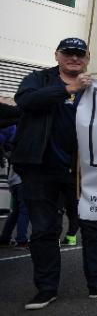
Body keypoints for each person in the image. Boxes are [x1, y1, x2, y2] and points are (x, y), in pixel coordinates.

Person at [11, 37, 97, 310]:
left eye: (80, 54)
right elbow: (26, 102)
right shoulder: (38, 79)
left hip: (82, 172)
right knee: (43, 230)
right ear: (57, 55)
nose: (74, 58)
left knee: (94, 228)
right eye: (69, 53)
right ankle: (45, 289)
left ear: (87, 59)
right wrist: (68, 88)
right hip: (40, 169)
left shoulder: (96, 88)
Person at [1, 104, 29, 249]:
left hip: (14, 178)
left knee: (17, 210)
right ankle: (21, 240)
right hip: (23, 178)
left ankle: (5, 238)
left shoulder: (14, 139)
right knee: (24, 209)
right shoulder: (26, 138)